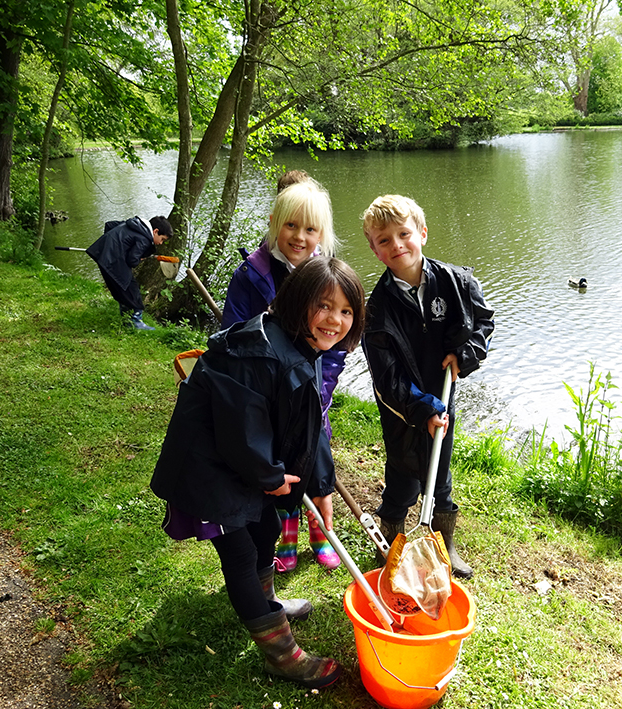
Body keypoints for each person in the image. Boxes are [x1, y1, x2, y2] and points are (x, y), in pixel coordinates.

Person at [150, 256, 366, 689]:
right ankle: (281, 654)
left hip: (242, 467)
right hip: (209, 469)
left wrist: (320, 483)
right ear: (298, 300)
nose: (335, 320)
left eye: (346, 311)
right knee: (240, 555)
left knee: (266, 527)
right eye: (324, 306)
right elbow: (239, 429)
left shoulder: (304, 347)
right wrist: (269, 476)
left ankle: (268, 600)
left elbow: (308, 425)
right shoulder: (259, 351)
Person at [360, 194, 494, 579]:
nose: (397, 245)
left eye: (404, 234)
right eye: (384, 240)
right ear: (374, 249)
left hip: (444, 395)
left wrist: (466, 353)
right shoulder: (377, 310)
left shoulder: (458, 282)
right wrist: (422, 408)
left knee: (442, 473)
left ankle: (444, 543)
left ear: (422, 232)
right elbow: (387, 380)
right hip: (404, 408)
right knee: (402, 474)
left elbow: (484, 323)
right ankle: (391, 540)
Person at [220, 177, 345, 574]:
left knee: (316, 462)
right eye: (291, 225)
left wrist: (321, 392)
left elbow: (338, 340)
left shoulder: (328, 275)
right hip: (268, 396)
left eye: (310, 229)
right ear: (275, 223)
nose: (299, 237)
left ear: (322, 234)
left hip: (311, 392)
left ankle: (320, 532)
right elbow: (230, 337)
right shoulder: (251, 275)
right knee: (279, 470)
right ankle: (285, 538)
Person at [86, 215, 173, 330]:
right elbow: (132, 260)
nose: (161, 243)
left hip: (103, 257)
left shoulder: (134, 224)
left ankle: (127, 319)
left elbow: (110, 225)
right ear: (155, 231)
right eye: (162, 239)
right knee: (132, 291)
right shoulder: (145, 239)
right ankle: (136, 323)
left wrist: (116, 245)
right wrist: (140, 258)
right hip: (113, 262)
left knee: (123, 290)